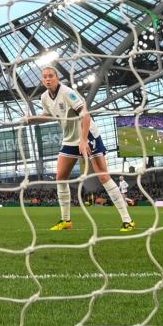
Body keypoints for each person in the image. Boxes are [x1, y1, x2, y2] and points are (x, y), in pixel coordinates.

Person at [26, 67, 135, 232]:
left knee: (103, 176)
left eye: (51, 76)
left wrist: (83, 141)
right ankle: (66, 220)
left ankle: (128, 221)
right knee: (60, 178)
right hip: (70, 139)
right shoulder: (44, 97)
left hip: (88, 134)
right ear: (43, 80)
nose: (48, 79)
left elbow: (85, 115)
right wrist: (32, 120)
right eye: (45, 77)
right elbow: (49, 115)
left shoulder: (68, 92)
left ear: (57, 78)